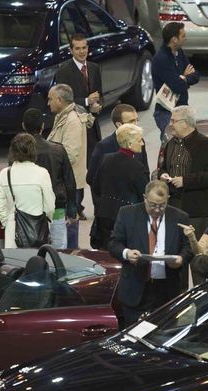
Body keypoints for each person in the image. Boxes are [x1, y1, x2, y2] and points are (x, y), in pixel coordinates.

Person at [108, 180, 193, 327]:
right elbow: (114, 244)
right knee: (133, 333)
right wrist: (127, 253)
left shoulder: (180, 217)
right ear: (144, 198)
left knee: (164, 333)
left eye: (162, 205)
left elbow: (188, 247)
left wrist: (181, 259)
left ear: (168, 199)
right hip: (136, 288)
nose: (157, 210)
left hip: (167, 291)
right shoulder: (127, 214)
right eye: (153, 205)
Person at [54, 34, 103, 221]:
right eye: (78, 48)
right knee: (75, 169)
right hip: (74, 127)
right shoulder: (64, 71)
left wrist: (98, 106)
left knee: (94, 168)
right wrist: (85, 101)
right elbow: (61, 102)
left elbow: (100, 95)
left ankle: (91, 206)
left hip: (91, 126)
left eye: (85, 48)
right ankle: (75, 206)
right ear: (71, 50)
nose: (82, 51)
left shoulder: (94, 68)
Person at [157, 106, 208, 237]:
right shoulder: (170, 144)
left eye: (173, 121)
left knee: (194, 248)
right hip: (173, 206)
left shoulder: (206, 145)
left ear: (185, 123)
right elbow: (163, 168)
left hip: (196, 210)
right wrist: (162, 175)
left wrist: (185, 181)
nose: (170, 125)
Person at [22, 108, 77, 249]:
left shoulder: (19, 152)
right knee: (58, 249)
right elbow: (69, 181)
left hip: (28, 209)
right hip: (56, 207)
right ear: (42, 126)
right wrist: (71, 210)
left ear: (23, 126)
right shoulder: (58, 150)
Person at [0, 133, 56, 248]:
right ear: (33, 150)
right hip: (39, 229)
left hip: (13, 231)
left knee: (14, 264)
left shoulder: (5, 173)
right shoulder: (42, 173)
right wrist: (46, 220)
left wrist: (8, 222)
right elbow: (50, 206)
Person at [91, 124, 148, 249]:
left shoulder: (106, 159)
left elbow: (96, 186)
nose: (142, 144)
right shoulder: (137, 167)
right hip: (128, 218)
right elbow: (144, 194)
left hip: (105, 215)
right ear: (129, 144)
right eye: (139, 141)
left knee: (107, 253)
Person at [47, 84, 89, 248]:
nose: (48, 102)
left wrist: (51, 167)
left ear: (59, 100)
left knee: (69, 223)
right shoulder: (63, 115)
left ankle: (70, 257)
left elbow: (70, 154)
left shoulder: (72, 121)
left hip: (68, 183)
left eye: (50, 99)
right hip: (64, 181)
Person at [151, 22, 200, 143]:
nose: (186, 38)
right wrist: (184, 76)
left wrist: (183, 78)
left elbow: (196, 75)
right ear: (174, 39)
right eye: (183, 36)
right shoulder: (161, 59)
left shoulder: (180, 53)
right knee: (172, 146)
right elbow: (177, 86)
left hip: (182, 109)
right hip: (166, 112)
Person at [88, 103, 148, 190]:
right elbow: (91, 178)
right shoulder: (103, 147)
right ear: (119, 125)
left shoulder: (139, 141)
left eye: (136, 120)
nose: (136, 125)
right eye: (131, 121)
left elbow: (145, 171)